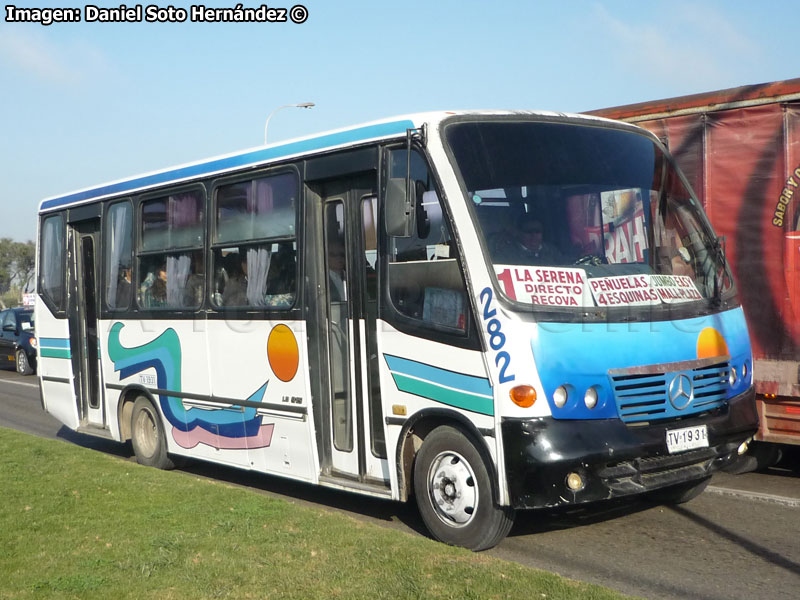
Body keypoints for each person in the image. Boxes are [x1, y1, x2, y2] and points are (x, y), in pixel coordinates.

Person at [493, 216, 563, 265]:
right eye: (528, 231)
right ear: (518, 232)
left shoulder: (552, 252)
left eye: (537, 231)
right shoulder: (506, 254)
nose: (534, 235)